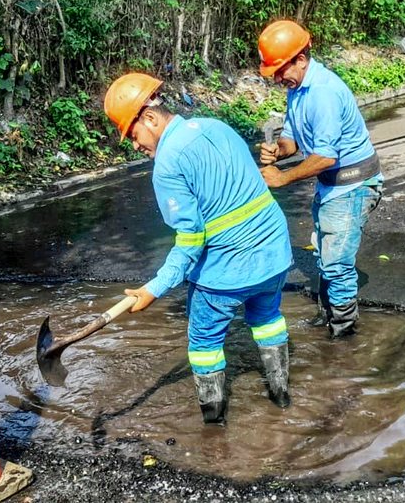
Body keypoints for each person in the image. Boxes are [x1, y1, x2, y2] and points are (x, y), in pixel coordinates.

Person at [104, 73, 295, 425]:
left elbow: (189, 242)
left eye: (131, 134)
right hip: (274, 254)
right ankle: (282, 397)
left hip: (227, 269)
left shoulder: (167, 165)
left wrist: (153, 289)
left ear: (149, 117)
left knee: (205, 343)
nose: (133, 145)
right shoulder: (215, 126)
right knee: (267, 320)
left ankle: (213, 424)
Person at [255, 20, 383, 340]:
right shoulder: (298, 89)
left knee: (336, 264)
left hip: (352, 184)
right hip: (333, 184)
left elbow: (327, 157)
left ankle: (343, 336)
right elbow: (293, 139)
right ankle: (329, 316)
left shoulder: (323, 93)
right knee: (325, 254)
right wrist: (278, 151)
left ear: (301, 58)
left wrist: (282, 178)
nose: (278, 79)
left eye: (281, 70)